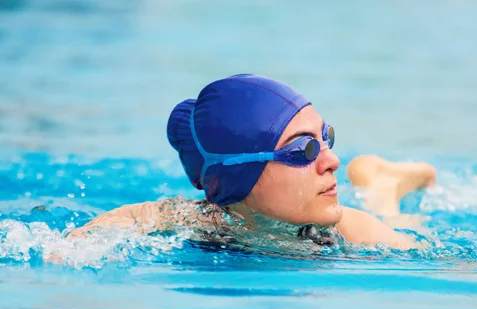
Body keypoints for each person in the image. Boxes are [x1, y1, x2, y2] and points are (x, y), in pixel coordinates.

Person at [68, 74, 436, 251]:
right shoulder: (196, 220)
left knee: (395, 221)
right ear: (237, 173)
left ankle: (381, 184)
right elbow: (130, 218)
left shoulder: (354, 230)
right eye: (303, 150)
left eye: (326, 138)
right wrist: (69, 250)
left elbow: (437, 263)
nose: (332, 160)